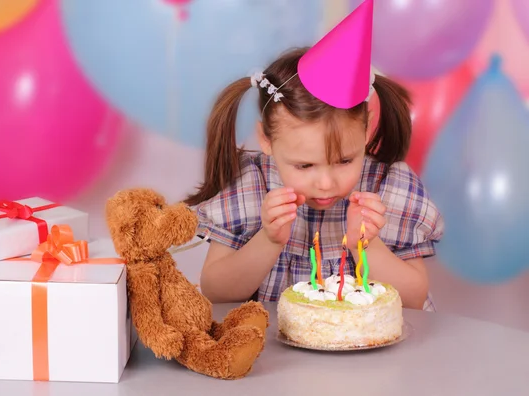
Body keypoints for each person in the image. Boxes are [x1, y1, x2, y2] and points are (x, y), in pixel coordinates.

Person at [184, 1, 444, 311]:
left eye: (345, 161)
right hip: (277, 356)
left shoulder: (391, 188)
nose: (325, 183)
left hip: (372, 356)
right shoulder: (250, 186)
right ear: (265, 140)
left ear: (367, 132)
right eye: (304, 165)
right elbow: (216, 291)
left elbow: (414, 299)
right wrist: (268, 241)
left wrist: (368, 245)